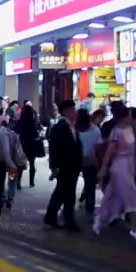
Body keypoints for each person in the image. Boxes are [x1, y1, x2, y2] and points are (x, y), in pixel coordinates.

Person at [96, 103, 136, 241]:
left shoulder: (130, 129)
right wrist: (103, 169)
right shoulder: (116, 131)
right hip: (120, 165)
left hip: (129, 164)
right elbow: (109, 152)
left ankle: (106, 218)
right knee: (131, 194)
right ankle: (135, 228)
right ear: (124, 117)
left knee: (114, 194)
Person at [43, 99, 83, 231]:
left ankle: (57, 217)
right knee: (64, 193)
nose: (74, 112)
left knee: (65, 193)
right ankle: (64, 219)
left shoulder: (72, 126)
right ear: (65, 111)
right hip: (65, 167)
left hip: (72, 166)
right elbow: (55, 149)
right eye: (72, 110)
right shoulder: (60, 127)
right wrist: (55, 167)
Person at [76, 108, 104, 215]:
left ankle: (67, 206)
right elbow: (98, 148)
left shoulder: (74, 129)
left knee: (70, 185)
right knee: (90, 186)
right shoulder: (95, 130)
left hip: (75, 160)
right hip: (90, 160)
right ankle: (89, 208)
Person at [15, 105, 44, 188]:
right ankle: (31, 182)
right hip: (32, 144)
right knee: (32, 163)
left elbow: (17, 130)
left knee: (20, 164)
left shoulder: (20, 121)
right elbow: (37, 132)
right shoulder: (33, 122)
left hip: (22, 144)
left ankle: (18, 182)